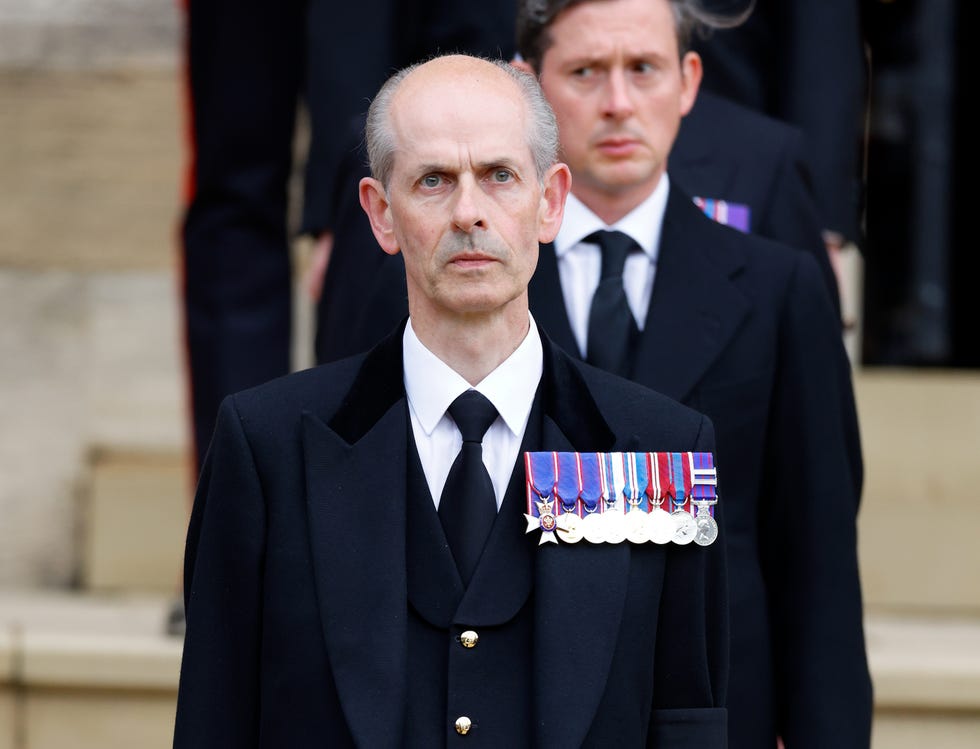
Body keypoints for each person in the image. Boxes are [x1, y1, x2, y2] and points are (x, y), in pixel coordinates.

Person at [174, 54, 729, 747]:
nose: (469, 212)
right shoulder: (266, 447)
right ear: (380, 213)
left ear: (549, 201)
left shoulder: (660, 449)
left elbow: (685, 717)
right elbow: (215, 718)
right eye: (433, 180)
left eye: (500, 176)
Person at [512, 0, 872, 747]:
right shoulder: (478, 283)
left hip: (715, 707)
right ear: (531, 87)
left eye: (642, 69)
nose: (618, 103)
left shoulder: (779, 289)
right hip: (520, 705)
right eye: (584, 72)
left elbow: (818, 553)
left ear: (688, 81)